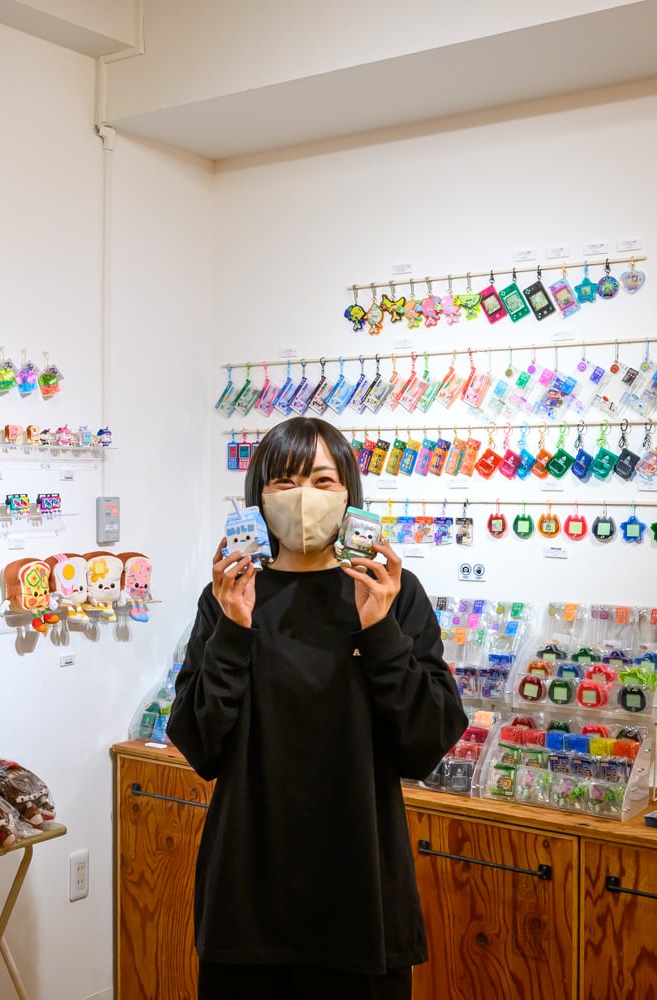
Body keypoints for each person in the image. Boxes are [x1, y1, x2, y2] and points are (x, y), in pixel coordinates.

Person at [168, 416, 467, 1000]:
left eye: (323, 481)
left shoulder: (391, 591)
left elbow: (425, 742)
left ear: (350, 493)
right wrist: (233, 630)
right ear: (258, 497)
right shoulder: (229, 594)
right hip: (247, 896)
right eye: (284, 481)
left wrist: (379, 631)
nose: (304, 496)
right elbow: (201, 745)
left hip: (363, 892)